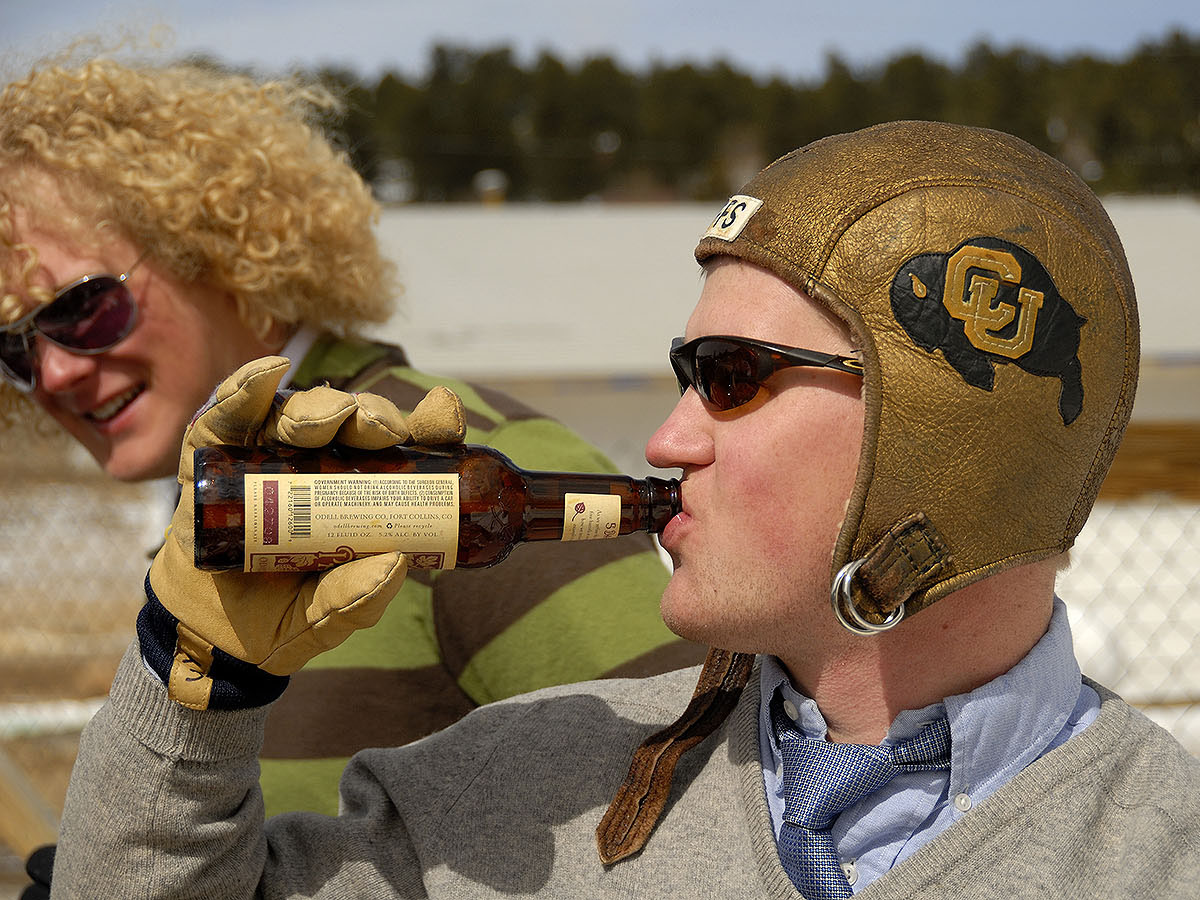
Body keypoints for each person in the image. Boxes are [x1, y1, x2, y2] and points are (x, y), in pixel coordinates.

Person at [52, 120, 1200, 898]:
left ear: (951, 439)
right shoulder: (513, 789)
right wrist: (190, 688)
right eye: (681, 373)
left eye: (732, 376)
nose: (667, 438)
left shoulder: (1161, 847)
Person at [0, 51, 698, 831]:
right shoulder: (223, 503)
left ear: (221, 250)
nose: (54, 372)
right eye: (17, 350)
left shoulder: (462, 476)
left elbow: (695, 812)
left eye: (86, 309)